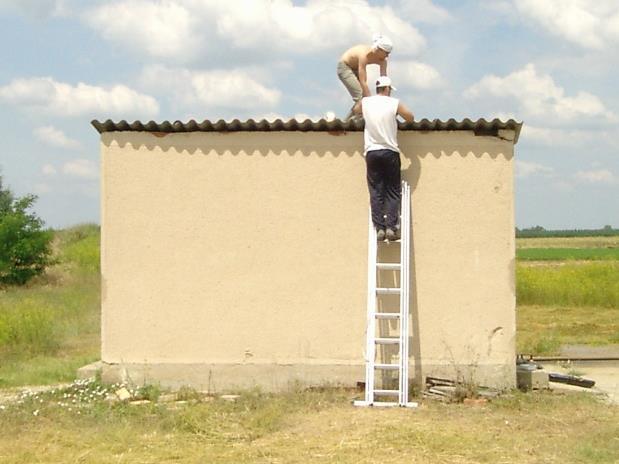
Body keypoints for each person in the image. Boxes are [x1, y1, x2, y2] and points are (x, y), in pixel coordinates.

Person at [353, 76, 414, 241]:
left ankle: (379, 227)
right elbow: (410, 117)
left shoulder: (367, 102)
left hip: (372, 152)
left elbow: (355, 110)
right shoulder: (393, 103)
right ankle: (391, 228)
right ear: (387, 89)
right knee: (392, 191)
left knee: (376, 191)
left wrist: (366, 100)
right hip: (389, 151)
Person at [337, 34, 393, 120]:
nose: (387, 56)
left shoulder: (383, 61)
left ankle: (353, 121)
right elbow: (363, 82)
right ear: (379, 50)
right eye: (386, 53)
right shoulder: (364, 55)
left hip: (356, 68)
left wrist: (385, 102)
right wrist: (371, 102)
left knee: (365, 100)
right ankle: (345, 125)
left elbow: (384, 83)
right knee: (361, 98)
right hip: (345, 67)